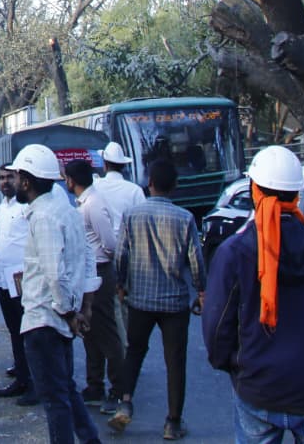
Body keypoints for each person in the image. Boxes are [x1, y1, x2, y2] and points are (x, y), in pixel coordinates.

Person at [204, 146, 304, 444]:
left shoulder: (235, 252)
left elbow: (217, 328)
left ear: (254, 190)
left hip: (258, 387)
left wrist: (235, 366)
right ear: (296, 195)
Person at [8, 145, 101, 444]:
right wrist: (81, 309)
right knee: (66, 390)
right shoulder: (65, 209)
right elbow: (86, 259)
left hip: (45, 320)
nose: (13, 183)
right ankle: (89, 439)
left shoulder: (45, 217)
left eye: (16, 177)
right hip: (59, 318)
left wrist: (70, 313)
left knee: (55, 399)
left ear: (27, 181)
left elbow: (54, 273)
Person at [110, 159, 205, 440]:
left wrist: (121, 284)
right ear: (174, 186)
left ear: (149, 183)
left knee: (134, 351)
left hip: (139, 298)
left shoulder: (132, 215)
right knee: (175, 361)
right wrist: (201, 291)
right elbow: (196, 262)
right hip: (174, 303)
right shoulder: (185, 218)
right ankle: (172, 422)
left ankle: (125, 402)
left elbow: (121, 255)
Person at [63, 159, 126, 415]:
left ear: (71, 180)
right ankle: (94, 385)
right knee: (91, 332)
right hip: (89, 271)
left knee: (107, 332)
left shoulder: (94, 204)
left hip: (100, 270)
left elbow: (110, 243)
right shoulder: (85, 202)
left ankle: (120, 390)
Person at [89, 141, 146, 411]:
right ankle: (122, 371)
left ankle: (102, 379)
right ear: (124, 165)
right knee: (120, 319)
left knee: (101, 323)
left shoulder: (95, 189)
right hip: (126, 256)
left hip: (100, 259)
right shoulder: (134, 191)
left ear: (104, 163)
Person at [0, 163, 39, 405]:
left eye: (9, 177)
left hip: (24, 280)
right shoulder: (2, 207)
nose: (5, 182)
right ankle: (21, 378)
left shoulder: (27, 207)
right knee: (14, 331)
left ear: (20, 179)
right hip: (4, 279)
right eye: (1, 178)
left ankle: (35, 383)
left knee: (29, 332)